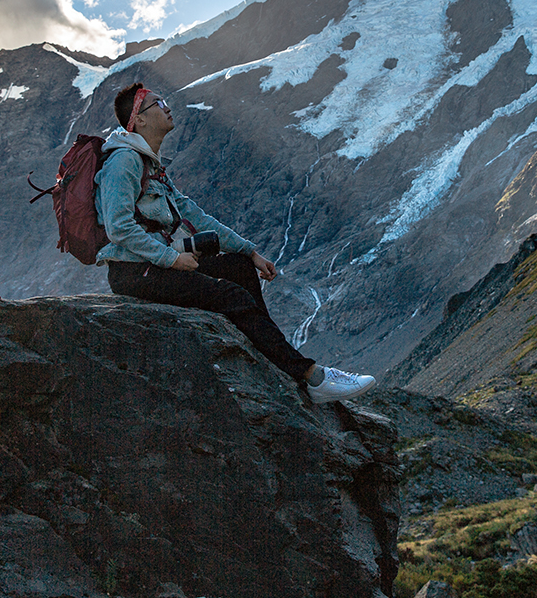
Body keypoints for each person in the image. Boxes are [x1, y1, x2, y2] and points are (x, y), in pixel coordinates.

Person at [95, 81, 376, 404]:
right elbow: (118, 229)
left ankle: (279, 359)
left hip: (153, 265)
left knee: (239, 268)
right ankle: (310, 375)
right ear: (139, 120)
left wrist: (250, 251)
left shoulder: (150, 163)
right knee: (229, 294)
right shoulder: (124, 161)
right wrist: (170, 259)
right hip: (135, 272)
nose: (167, 107)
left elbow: (194, 215)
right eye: (158, 103)